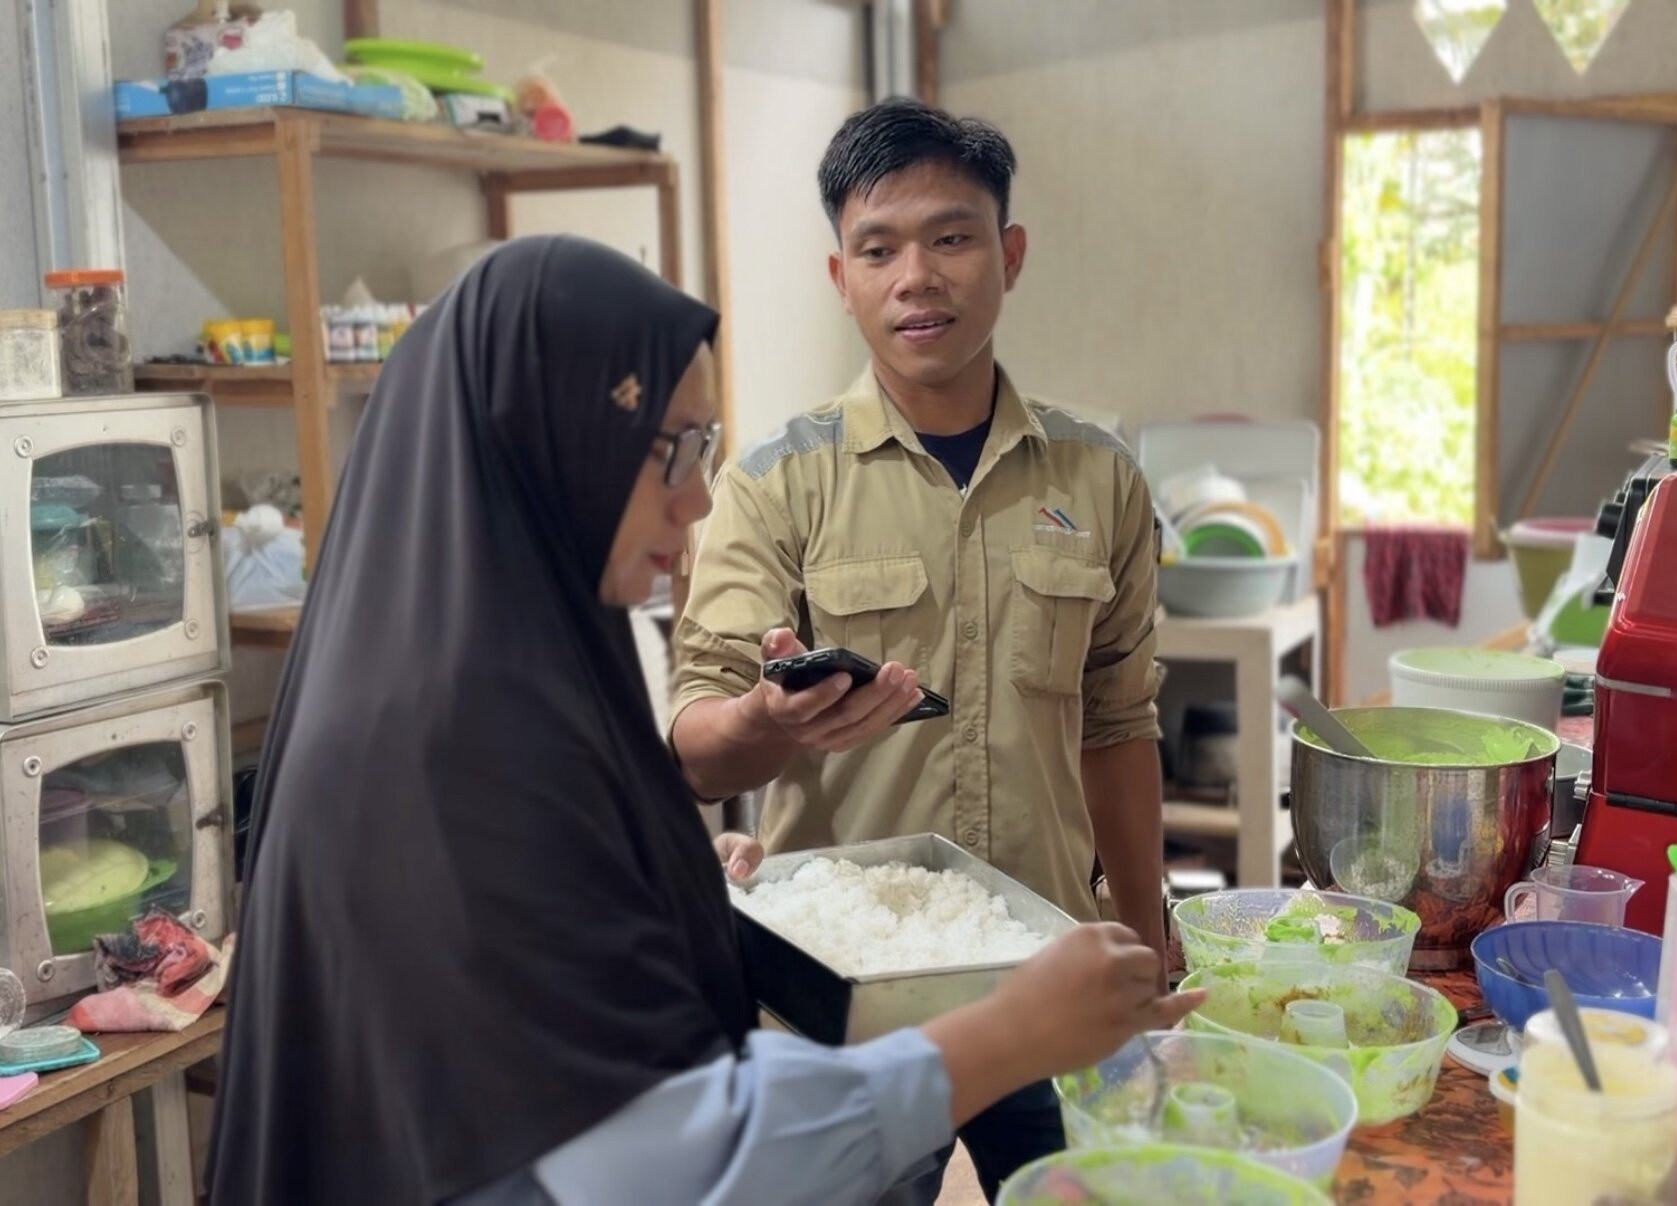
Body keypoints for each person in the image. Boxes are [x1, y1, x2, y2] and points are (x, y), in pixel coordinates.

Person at [203, 235, 1200, 1206]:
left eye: (705, 447)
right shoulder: (447, 746)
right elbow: (666, 1160)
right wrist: (1007, 1034)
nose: (692, 503)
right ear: (547, 436)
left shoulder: (505, 669)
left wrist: (669, 888)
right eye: (672, 451)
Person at [669, 98, 1169, 1200]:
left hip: (1051, 967)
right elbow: (695, 744)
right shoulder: (773, 480)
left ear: (1009, 253)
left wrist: (1144, 921)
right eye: (876, 248)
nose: (915, 276)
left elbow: (1118, 718)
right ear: (838, 275)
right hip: (851, 997)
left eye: (950, 237)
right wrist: (760, 720)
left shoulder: (1098, 478)